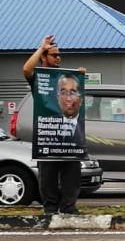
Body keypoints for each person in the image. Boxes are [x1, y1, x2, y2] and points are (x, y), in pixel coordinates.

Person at [22, 35, 86, 215]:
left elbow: (77, 101)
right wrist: (42, 48)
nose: (58, 58)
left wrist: (80, 77)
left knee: (72, 176)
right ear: (44, 57)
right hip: (47, 137)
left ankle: (68, 208)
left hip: (70, 138)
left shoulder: (68, 77)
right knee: (47, 177)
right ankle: (50, 209)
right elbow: (26, 69)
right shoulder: (39, 78)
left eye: (59, 55)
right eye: (54, 55)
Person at [57, 74, 85, 146]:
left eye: (72, 93)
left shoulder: (88, 125)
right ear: (58, 98)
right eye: (63, 93)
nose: (68, 99)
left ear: (81, 100)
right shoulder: (44, 125)